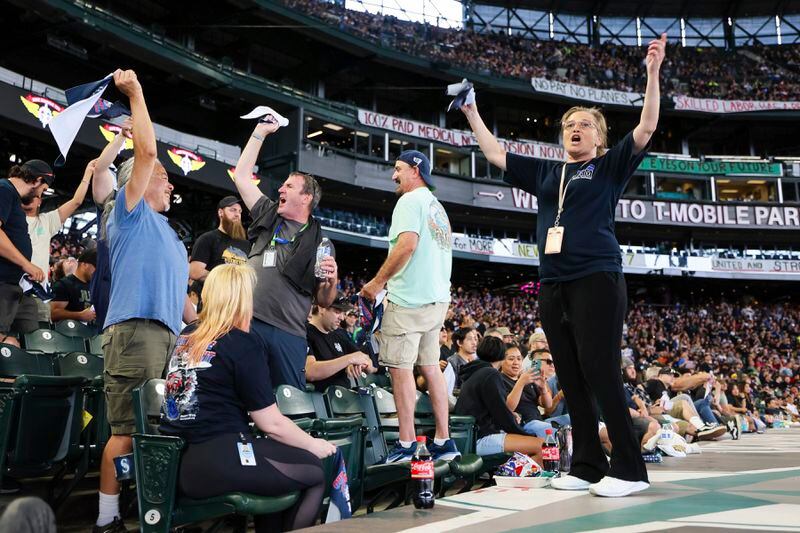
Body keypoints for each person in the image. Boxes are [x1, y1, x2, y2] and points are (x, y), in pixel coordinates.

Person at [460, 34, 668, 497]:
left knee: (600, 369)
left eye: (585, 125)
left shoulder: (609, 166)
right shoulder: (548, 174)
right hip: (552, 283)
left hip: (596, 276)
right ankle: (589, 465)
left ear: (599, 137)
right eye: (569, 125)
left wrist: (652, 74)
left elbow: (648, 126)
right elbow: (495, 155)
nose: (575, 129)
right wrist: (472, 113)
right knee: (571, 375)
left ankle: (631, 469)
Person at [160, 263, 335, 532]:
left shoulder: (187, 335)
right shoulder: (242, 342)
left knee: (278, 475)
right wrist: (314, 445)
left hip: (180, 465)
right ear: (243, 299)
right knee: (313, 473)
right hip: (220, 459)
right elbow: (271, 424)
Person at [95, 69, 189, 533]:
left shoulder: (171, 236)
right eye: (164, 178)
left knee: (157, 432)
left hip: (168, 339)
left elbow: (188, 306)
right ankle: (106, 520)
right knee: (126, 433)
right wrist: (135, 94)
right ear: (140, 180)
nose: (170, 185)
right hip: (135, 333)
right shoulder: (128, 213)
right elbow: (148, 152)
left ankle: (151, 510)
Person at [360, 150, 459, 463]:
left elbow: (406, 246)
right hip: (436, 301)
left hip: (409, 300)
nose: (394, 175)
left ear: (415, 169)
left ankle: (405, 445)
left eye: (398, 168)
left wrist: (377, 284)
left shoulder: (409, 201)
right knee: (431, 368)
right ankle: (444, 442)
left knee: (400, 370)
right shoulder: (437, 206)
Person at [231, 118, 338, 389]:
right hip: (247, 323)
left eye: (289, 186)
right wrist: (259, 132)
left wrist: (332, 281)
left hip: (288, 334)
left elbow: (324, 300)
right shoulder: (268, 213)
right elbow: (242, 176)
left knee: (287, 403)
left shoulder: (321, 242)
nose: (280, 189)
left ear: (306, 199)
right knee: (239, 395)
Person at [23, 159, 94, 322]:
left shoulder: (46, 221)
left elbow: (76, 201)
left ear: (40, 200)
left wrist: (88, 173)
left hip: (37, 294)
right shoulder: (9, 219)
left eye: (37, 194)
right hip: (9, 286)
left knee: (37, 340)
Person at [454, 336, 543, 462]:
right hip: (480, 438)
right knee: (543, 446)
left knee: (534, 445)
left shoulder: (478, 371)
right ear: (502, 356)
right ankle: (516, 479)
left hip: (470, 436)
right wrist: (526, 434)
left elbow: (494, 408)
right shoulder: (490, 374)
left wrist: (510, 415)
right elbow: (502, 415)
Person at [0, 160, 48, 347]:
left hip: (18, 286)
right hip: (2, 283)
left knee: (30, 344)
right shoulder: (4, 189)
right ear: (37, 180)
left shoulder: (11, 195)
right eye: (43, 189)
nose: (41, 194)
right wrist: (26, 264)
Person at [188, 195, 251, 308]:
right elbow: (194, 271)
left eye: (240, 211)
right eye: (232, 210)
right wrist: (227, 280)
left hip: (239, 306)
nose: (237, 214)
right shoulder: (207, 238)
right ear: (221, 213)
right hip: (213, 304)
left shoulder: (246, 244)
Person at [306, 293, 375, 392]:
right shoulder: (304, 332)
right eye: (337, 311)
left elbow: (365, 359)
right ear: (322, 308)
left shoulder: (339, 334)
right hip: (319, 401)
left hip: (344, 399)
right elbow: (310, 371)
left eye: (343, 313)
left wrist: (361, 365)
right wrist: (349, 360)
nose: (342, 318)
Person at [500, 342, 554, 437]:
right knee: (554, 431)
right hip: (523, 425)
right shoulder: (499, 379)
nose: (516, 362)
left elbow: (548, 405)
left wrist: (543, 388)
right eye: (511, 359)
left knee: (572, 420)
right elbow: (507, 408)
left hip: (540, 421)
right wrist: (521, 383)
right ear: (501, 361)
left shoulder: (528, 378)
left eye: (519, 359)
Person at [50, 248, 96, 324]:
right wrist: (79, 315)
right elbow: (54, 313)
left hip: (94, 332)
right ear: (84, 264)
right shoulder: (64, 284)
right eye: (96, 266)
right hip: (71, 332)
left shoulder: (95, 285)